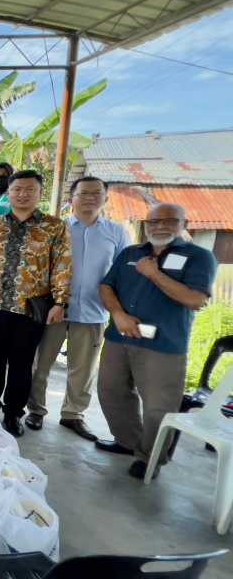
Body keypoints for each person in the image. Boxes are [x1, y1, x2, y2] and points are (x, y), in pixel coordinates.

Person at [95, 203, 217, 479]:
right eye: (153, 221)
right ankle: (127, 442)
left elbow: (195, 299)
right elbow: (106, 285)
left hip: (163, 345)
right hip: (120, 336)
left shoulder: (198, 257)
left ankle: (151, 458)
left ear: (184, 224)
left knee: (159, 406)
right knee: (111, 391)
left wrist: (153, 273)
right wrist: (118, 314)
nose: (160, 226)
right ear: (146, 224)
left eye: (169, 221)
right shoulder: (131, 253)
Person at [28, 177, 130, 439]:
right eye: (84, 193)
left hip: (95, 310)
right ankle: (36, 409)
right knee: (41, 362)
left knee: (83, 368)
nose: (90, 198)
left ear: (105, 198)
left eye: (97, 193)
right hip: (53, 309)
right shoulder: (54, 227)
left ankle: (73, 414)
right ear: (71, 198)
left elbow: (121, 273)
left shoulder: (116, 233)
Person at [0, 170, 71, 437]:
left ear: (40, 193)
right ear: (9, 192)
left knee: (21, 363)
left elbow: (62, 266)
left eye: (30, 189)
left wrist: (60, 303)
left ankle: (13, 414)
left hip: (30, 308)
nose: (22, 194)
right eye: (17, 189)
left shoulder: (55, 226)